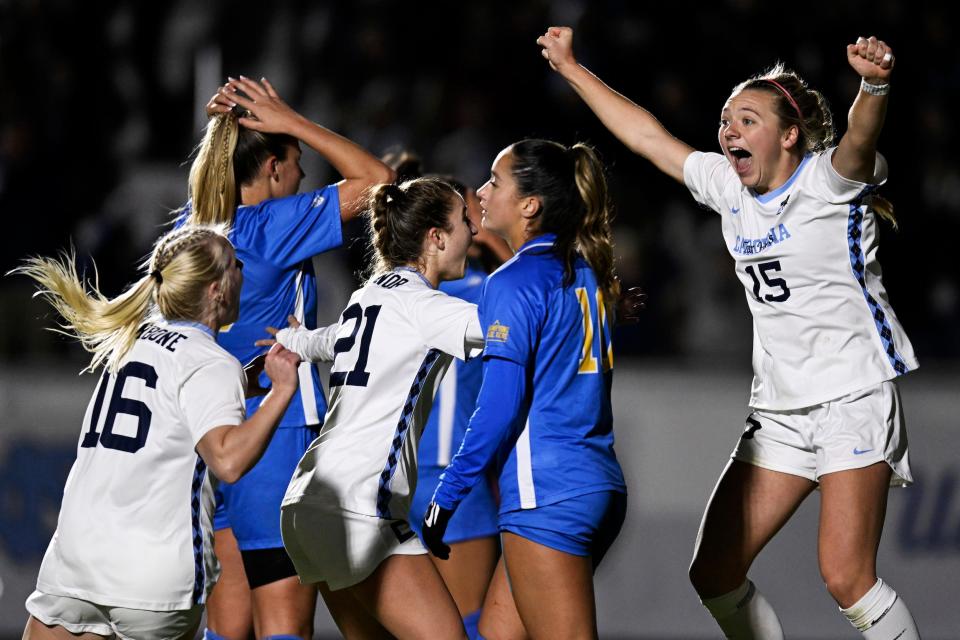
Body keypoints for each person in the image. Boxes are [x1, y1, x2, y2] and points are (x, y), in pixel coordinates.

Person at [538, 26, 920, 639]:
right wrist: (572, 68)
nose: (728, 132)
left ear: (789, 135)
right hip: (780, 410)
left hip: (853, 394)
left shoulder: (828, 181)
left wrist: (874, 83)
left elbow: (859, 140)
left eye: (746, 120)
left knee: (847, 576)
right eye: (724, 121)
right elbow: (645, 136)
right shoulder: (729, 189)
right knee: (713, 572)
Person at [13, 225, 302, 640]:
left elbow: (167, 401)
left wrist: (239, 382)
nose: (243, 270)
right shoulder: (210, 363)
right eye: (235, 264)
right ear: (217, 289)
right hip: (153, 578)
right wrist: (282, 390)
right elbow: (228, 460)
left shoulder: (128, 340)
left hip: (77, 560)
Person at [188, 76, 394, 640]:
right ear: (273, 167)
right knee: (284, 623)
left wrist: (230, 126)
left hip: (209, 437)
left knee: (226, 625)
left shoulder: (194, 227)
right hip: (273, 434)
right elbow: (378, 180)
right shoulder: (270, 228)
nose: (304, 176)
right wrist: (293, 121)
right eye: (297, 161)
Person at [422, 138, 629, 640]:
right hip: (595, 483)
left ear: (530, 205)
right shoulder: (587, 271)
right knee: (494, 632)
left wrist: (446, 495)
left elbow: (498, 406)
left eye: (496, 181)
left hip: (546, 494)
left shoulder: (513, 281)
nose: (482, 191)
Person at [268, 177, 482, 639]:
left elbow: (327, 340)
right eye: (465, 220)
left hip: (305, 504)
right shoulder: (427, 306)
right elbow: (513, 328)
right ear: (436, 237)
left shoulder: (367, 296)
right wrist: (585, 298)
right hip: (359, 511)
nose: (475, 231)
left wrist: (290, 339)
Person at [382, 152, 513, 640]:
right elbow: (543, 293)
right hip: (454, 484)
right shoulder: (489, 294)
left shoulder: (384, 295)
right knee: (467, 626)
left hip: (394, 481)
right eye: (468, 218)